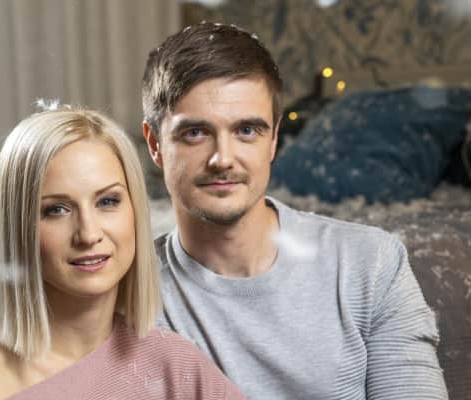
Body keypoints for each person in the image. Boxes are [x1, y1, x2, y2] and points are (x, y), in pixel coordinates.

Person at [142, 22, 448, 399]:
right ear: (155, 144)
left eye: (247, 131)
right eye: (195, 133)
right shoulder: (129, 291)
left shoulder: (372, 263)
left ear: (273, 139)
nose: (223, 159)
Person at [0, 106, 245, 400]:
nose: (89, 234)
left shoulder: (175, 364)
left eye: (107, 202)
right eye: (56, 209)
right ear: (18, 228)